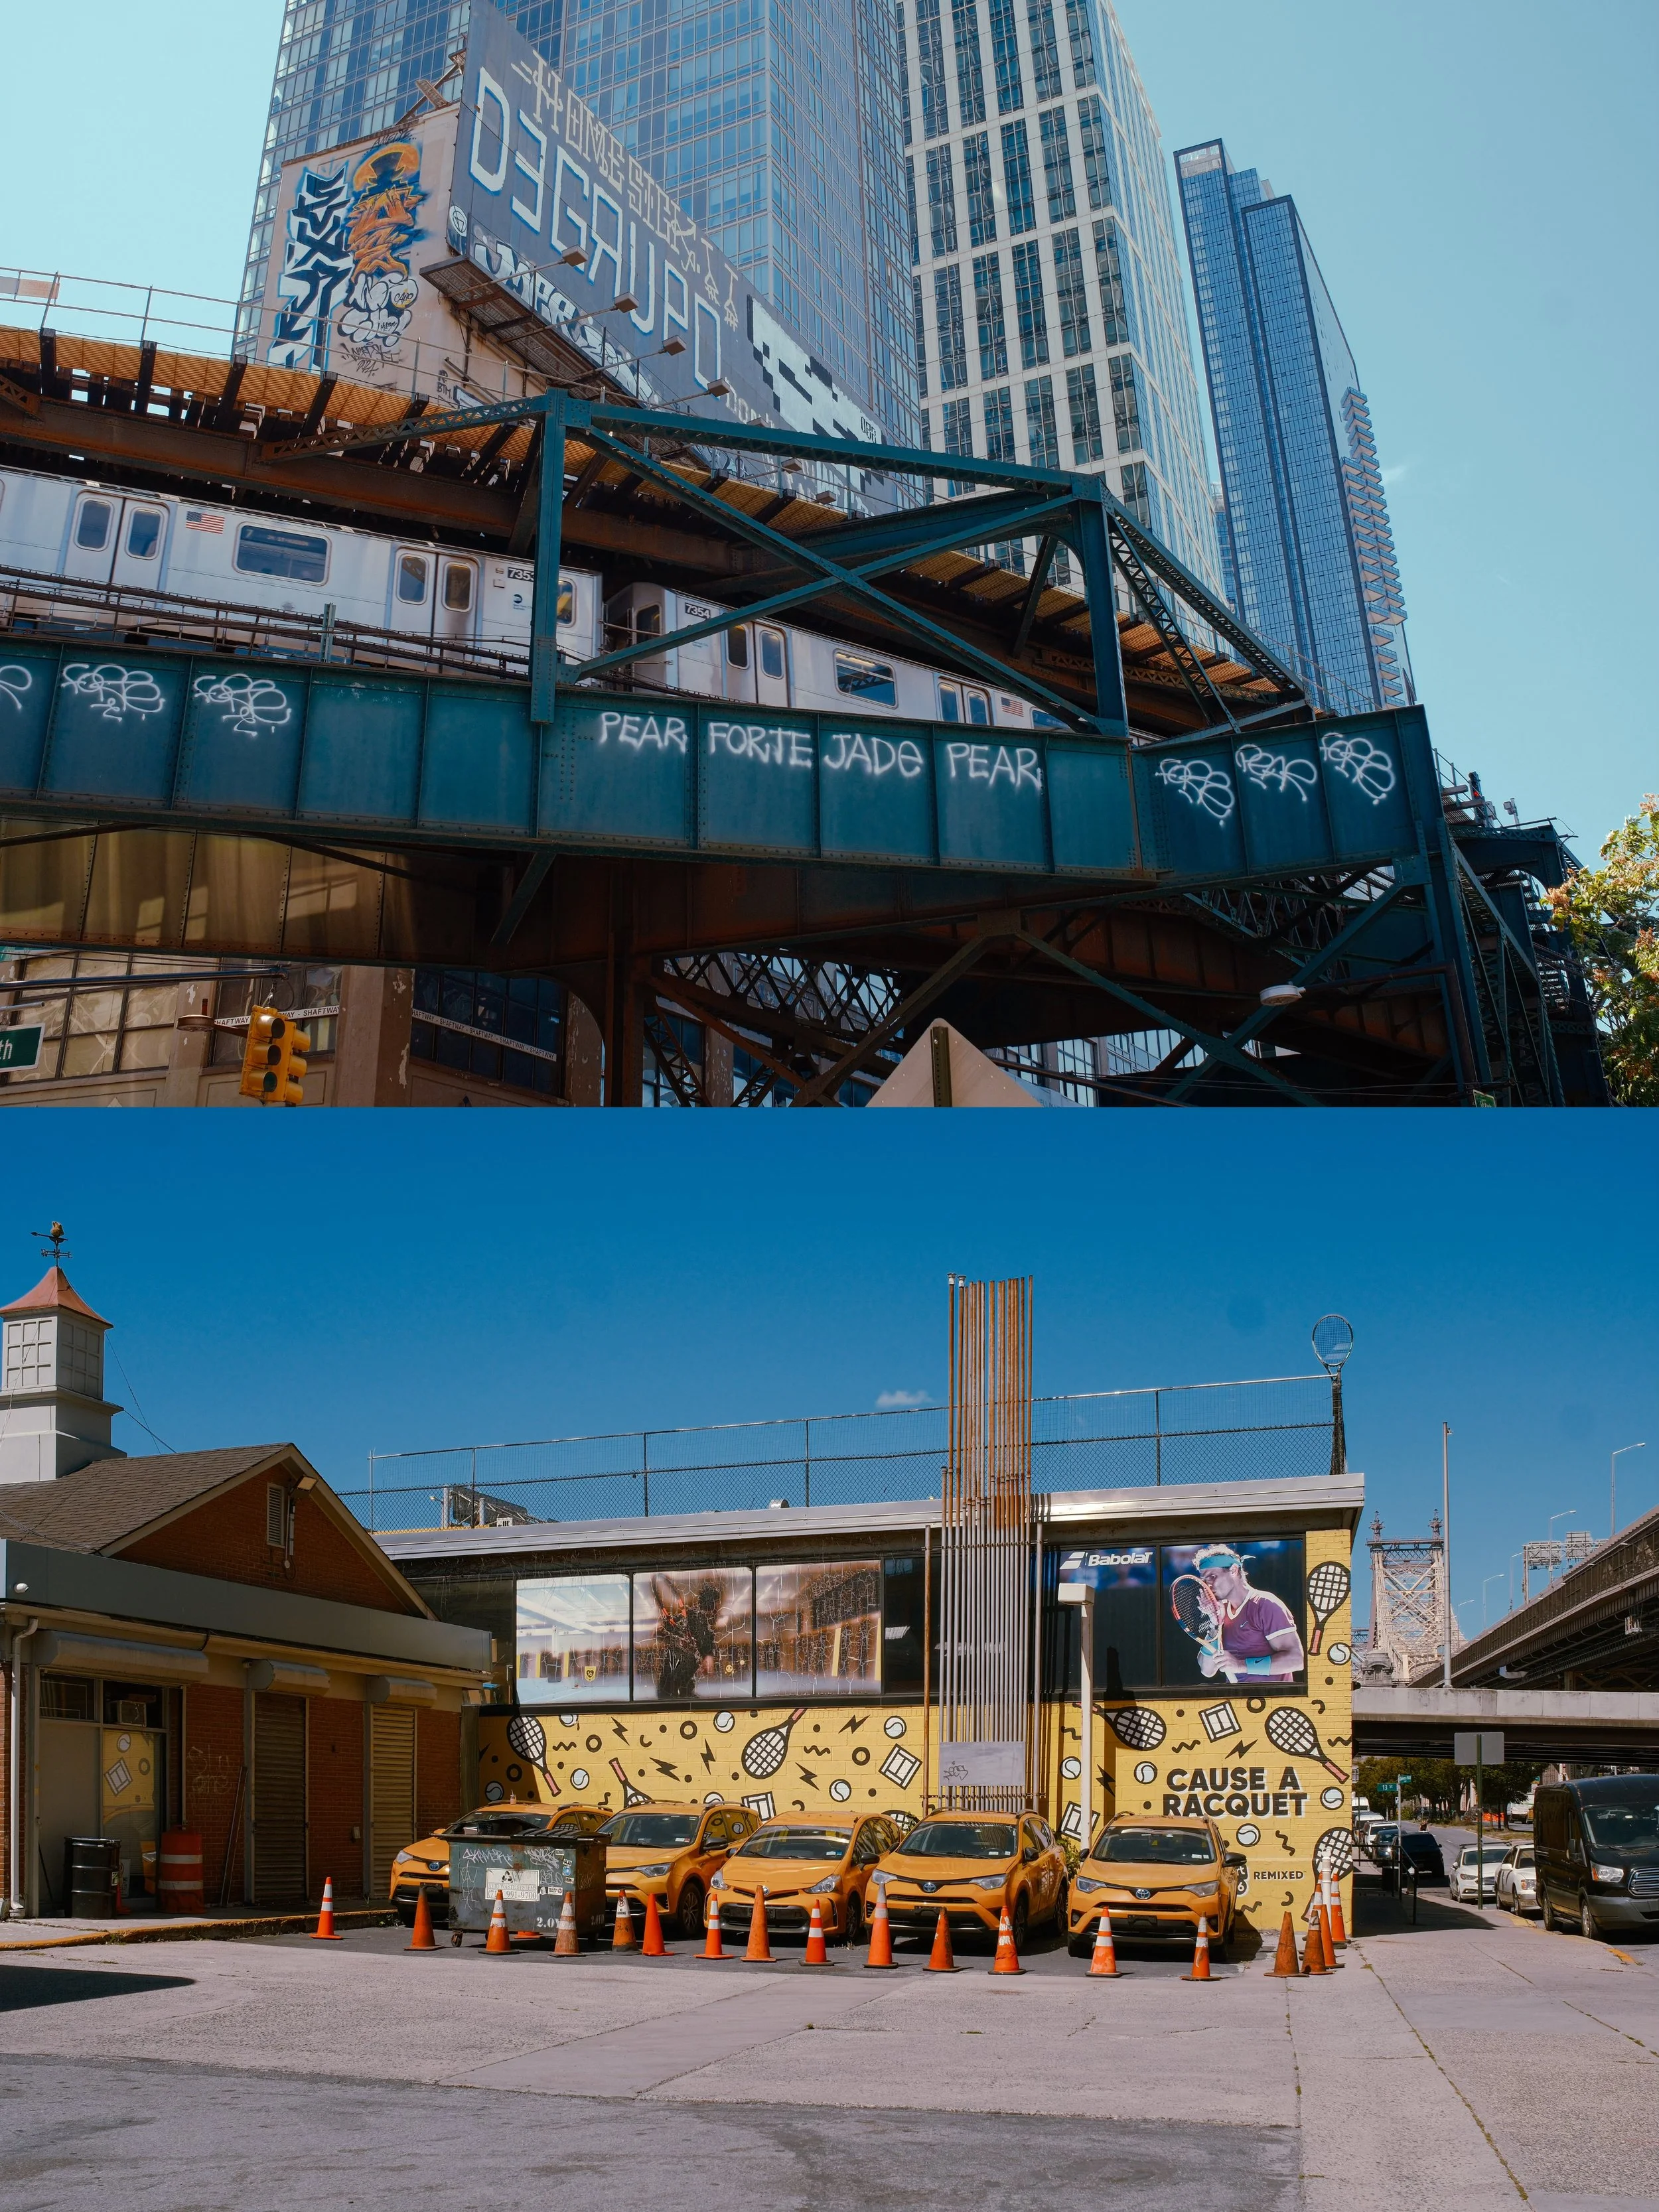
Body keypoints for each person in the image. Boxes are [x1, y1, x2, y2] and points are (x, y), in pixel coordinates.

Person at [1190, 1545, 1304, 1682]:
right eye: (1204, 1580)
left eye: (1213, 1577)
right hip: (1238, 1701)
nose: (1208, 1585)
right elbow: (1207, 1670)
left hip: (1274, 1701)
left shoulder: (1266, 1605)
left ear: (1233, 1570)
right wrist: (1215, 1626)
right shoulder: (1221, 1612)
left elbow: (1297, 1660)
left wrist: (1240, 1666)